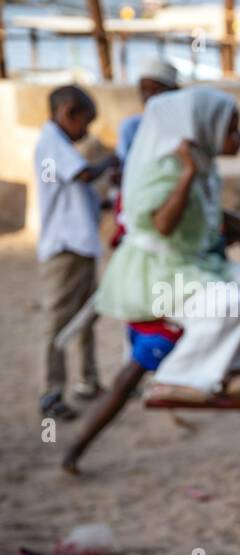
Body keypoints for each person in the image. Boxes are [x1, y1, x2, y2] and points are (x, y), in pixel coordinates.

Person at [63, 88, 240, 472]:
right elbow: (163, 224)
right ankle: (177, 381)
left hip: (195, 270)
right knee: (227, 307)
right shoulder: (167, 167)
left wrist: (235, 223)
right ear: (204, 128)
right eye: (232, 130)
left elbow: (203, 216)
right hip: (157, 278)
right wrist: (187, 175)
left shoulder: (203, 165)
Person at [36, 85, 119, 420]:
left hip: (81, 243)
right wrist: (110, 160)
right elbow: (84, 174)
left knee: (87, 315)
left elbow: (78, 193)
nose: (85, 132)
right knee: (58, 320)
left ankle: (88, 379)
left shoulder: (59, 146)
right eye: (85, 122)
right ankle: (51, 392)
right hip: (65, 246)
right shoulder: (51, 144)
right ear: (68, 112)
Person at [116, 59, 180, 164]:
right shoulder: (132, 126)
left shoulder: (183, 127)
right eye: (143, 90)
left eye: (155, 90)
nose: (148, 96)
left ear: (173, 90)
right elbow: (124, 161)